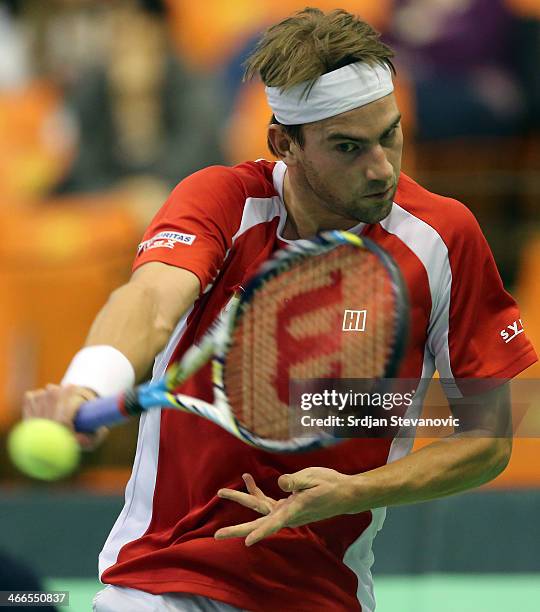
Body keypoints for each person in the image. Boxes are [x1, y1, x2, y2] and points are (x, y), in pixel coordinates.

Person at [23, 8, 537, 612]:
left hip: (323, 593)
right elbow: (150, 300)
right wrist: (90, 382)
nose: (381, 168)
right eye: (348, 147)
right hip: (160, 578)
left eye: (390, 135)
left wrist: (352, 492)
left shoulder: (443, 238)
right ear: (283, 143)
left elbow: (489, 436)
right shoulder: (222, 199)